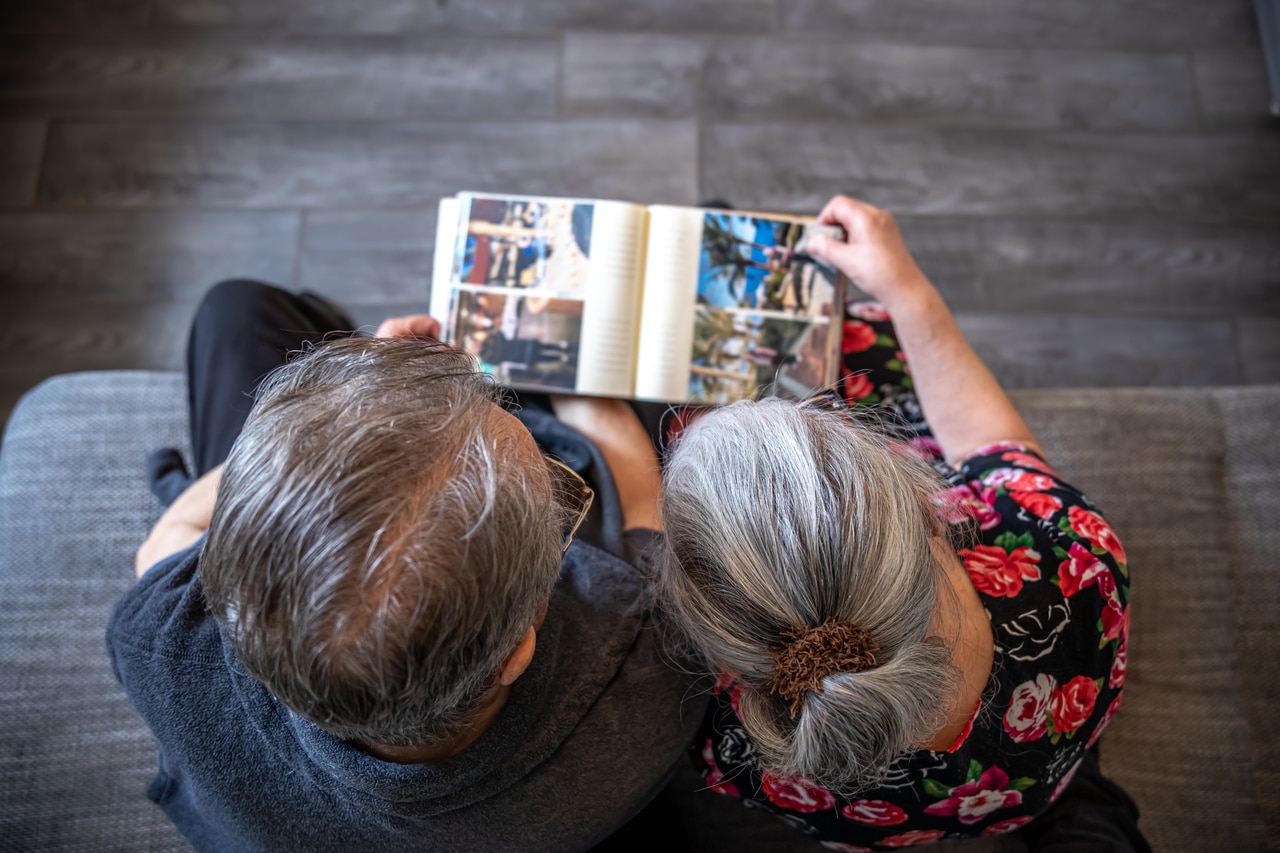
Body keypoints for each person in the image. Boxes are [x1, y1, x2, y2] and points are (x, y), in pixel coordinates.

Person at [107, 280, 700, 852]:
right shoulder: (649, 681)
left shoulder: (164, 651)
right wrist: (575, 377)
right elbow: (644, 504)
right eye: (551, 487)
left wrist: (336, 414)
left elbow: (171, 536)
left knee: (235, 307)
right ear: (517, 651)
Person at [657, 196, 1149, 849]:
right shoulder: (1074, 556)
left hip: (903, 823)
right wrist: (906, 288)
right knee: (860, 344)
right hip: (1035, 776)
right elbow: (998, 445)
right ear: (933, 502)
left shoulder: (738, 746)